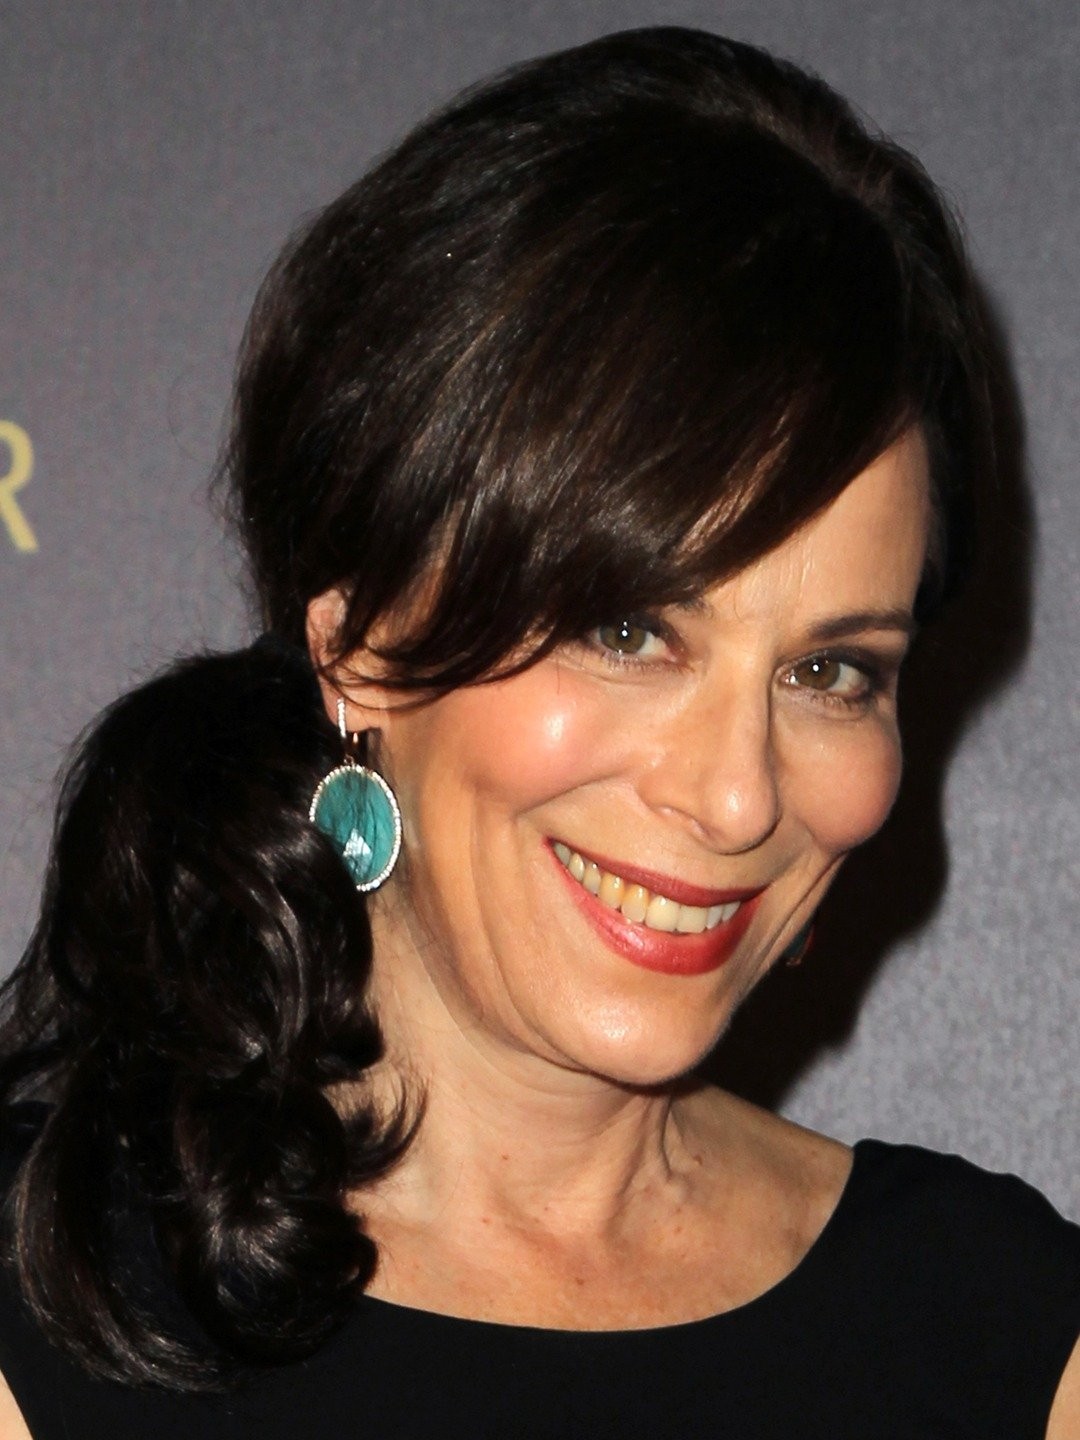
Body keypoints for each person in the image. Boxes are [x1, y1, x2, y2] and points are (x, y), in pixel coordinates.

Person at [0, 24, 1076, 1439]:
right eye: (630, 632)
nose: (738, 795)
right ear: (361, 639)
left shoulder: (1002, 1329)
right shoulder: (48, 1306)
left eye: (828, 671)